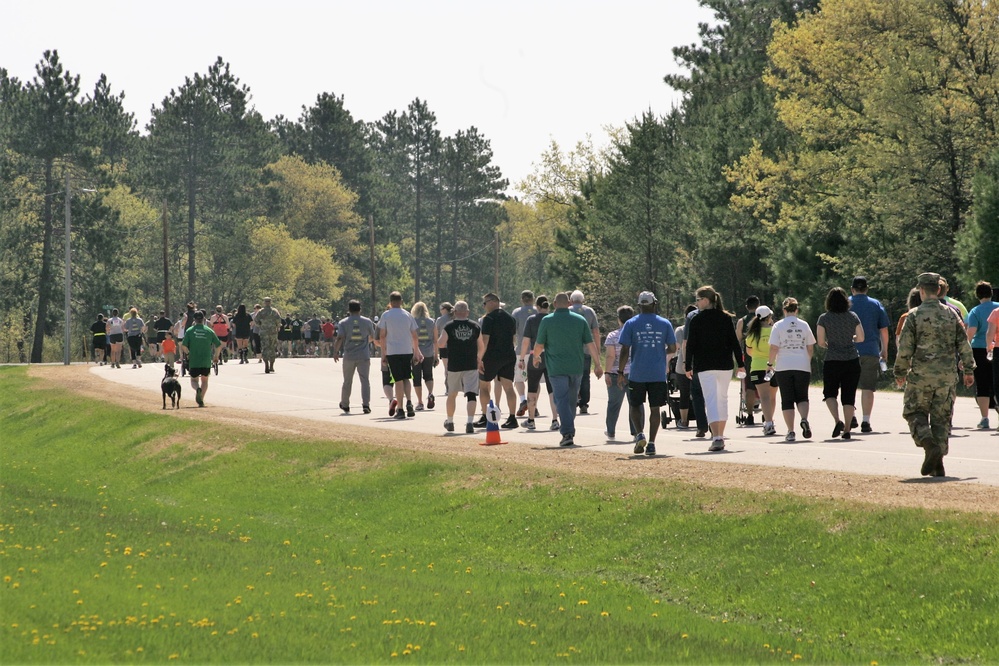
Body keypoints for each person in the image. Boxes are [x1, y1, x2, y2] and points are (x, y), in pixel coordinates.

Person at [895, 273, 976, 476]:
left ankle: (928, 443)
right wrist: (968, 370)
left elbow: (905, 348)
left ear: (922, 291)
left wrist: (900, 372)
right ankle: (938, 463)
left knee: (914, 413)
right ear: (939, 290)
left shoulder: (913, 315)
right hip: (946, 377)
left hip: (921, 376)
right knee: (941, 419)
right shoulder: (951, 314)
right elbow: (964, 344)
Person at [532, 292, 603, 446]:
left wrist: (536, 357)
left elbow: (539, 345)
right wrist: (598, 364)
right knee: (571, 401)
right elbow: (590, 344)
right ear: (569, 303)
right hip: (576, 367)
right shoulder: (580, 320)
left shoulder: (547, 320)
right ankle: (568, 429)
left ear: (554, 304)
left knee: (561, 400)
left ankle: (568, 433)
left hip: (557, 369)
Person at [617, 292, 677, 456]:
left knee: (635, 405)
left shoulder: (630, 323)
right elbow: (673, 348)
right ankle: (651, 443)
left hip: (637, 373)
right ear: (654, 304)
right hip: (657, 374)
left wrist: (621, 372)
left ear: (639, 306)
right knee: (655, 408)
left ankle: (639, 434)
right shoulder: (664, 324)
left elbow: (624, 349)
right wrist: (660, 351)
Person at [684, 286, 743, 451]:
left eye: (697, 300)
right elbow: (734, 343)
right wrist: (741, 363)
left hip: (705, 366)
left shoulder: (696, 320)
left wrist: (688, 365)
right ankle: (720, 435)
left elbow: (691, 346)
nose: (696, 303)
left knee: (711, 400)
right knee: (722, 399)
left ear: (705, 300)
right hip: (724, 365)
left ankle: (716, 436)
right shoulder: (725, 318)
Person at [816, 287, 865, 440]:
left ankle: (838, 420)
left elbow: (820, 341)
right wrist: (852, 338)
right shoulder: (853, 316)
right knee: (849, 396)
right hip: (851, 359)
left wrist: (829, 344)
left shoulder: (824, 318)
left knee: (830, 393)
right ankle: (848, 429)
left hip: (832, 360)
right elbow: (861, 337)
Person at [768, 297, 816, 442]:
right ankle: (804, 419)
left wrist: (770, 364)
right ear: (796, 310)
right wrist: (807, 361)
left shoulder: (778, 326)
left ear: (784, 310)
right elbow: (810, 347)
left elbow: (774, 347)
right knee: (802, 396)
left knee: (787, 399)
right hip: (802, 365)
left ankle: (791, 431)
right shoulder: (804, 325)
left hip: (784, 366)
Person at [850, 276, 890, 433]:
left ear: (852, 289)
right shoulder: (875, 304)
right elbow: (884, 329)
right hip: (870, 350)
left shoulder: (845, 304)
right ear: (866, 289)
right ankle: (865, 421)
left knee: (849, 386)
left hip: (849, 351)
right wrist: (884, 349)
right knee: (867, 387)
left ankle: (851, 415)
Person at [475, 292, 519, 429]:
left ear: (493, 302)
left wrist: (479, 358)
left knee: (484, 386)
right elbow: (513, 339)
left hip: (492, 357)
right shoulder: (511, 318)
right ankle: (512, 418)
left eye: (485, 303)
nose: (484, 306)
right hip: (508, 355)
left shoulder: (489, 319)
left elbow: (485, 340)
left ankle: (486, 417)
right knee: (508, 387)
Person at [437, 301, 482, 434]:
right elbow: (481, 345)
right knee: (471, 394)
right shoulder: (475, 326)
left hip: (454, 364)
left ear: (455, 312)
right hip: (471, 364)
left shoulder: (449, 326)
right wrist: (479, 358)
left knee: (452, 393)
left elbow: (440, 343)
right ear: (467, 312)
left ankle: (450, 421)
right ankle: (469, 422)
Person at [378, 291, 424, 420]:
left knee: (398, 380)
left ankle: (401, 409)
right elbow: (415, 336)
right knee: (406, 377)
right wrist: (416, 352)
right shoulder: (407, 315)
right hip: (406, 350)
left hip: (393, 351)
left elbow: (382, 335)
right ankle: (409, 401)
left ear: (391, 302)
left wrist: (383, 353)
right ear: (401, 301)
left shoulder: (386, 315)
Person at [518, 295, 559, 431]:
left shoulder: (532, 320)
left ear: (537, 306)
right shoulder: (554, 319)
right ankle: (555, 419)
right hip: (551, 357)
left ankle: (531, 419)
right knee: (552, 389)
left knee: (532, 388)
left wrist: (522, 358)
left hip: (535, 355)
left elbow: (525, 341)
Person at [334, 299, 376, 414]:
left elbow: (340, 337)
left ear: (349, 310)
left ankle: (345, 404)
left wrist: (336, 351)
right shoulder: (367, 322)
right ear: (360, 309)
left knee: (347, 381)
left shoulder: (343, 322)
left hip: (349, 355)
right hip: (363, 355)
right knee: (365, 380)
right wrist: (366, 341)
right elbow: (373, 336)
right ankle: (366, 405)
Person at [966, 281, 998, 429]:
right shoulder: (997, 308)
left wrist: (964, 348)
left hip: (979, 349)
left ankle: (985, 418)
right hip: (995, 347)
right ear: (991, 293)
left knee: (982, 383)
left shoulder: (975, 311)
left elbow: (971, 330)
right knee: (996, 383)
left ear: (977, 295)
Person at [603, 305, 638, 441]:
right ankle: (636, 432)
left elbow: (610, 356)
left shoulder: (613, 336)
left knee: (613, 404)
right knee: (634, 403)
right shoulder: (636, 334)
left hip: (616, 373)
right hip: (634, 373)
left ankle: (611, 431)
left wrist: (607, 372)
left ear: (619, 319)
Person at [744, 305, 778, 436]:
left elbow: (749, 351)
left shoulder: (752, 333)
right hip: (774, 367)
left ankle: (768, 423)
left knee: (763, 396)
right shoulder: (774, 330)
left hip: (757, 367)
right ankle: (770, 420)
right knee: (772, 396)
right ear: (769, 317)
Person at [181, 310, 222, 407]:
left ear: (194, 319)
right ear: (203, 319)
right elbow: (219, 345)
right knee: (205, 380)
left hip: (194, 360)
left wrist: (188, 353)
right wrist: (216, 356)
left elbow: (183, 346)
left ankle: (197, 389)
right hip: (206, 360)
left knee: (194, 380)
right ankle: (201, 399)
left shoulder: (190, 330)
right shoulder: (209, 331)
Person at [569, 290, 600, 415]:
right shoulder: (590, 311)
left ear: (571, 300)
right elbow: (596, 332)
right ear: (583, 300)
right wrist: (597, 350)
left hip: (571, 350)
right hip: (587, 350)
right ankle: (584, 404)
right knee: (585, 376)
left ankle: (573, 399)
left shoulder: (568, 311)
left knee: (571, 375)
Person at [735, 295, 761, 425]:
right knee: (765, 387)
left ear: (747, 307)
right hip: (764, 357)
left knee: (749, 387)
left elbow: (738, 338)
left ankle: (750, 415)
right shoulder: (766, 320)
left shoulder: (742, 321)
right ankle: (768, 415)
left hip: (749, 358)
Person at [511, 290, 537, 416]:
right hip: (537, 352)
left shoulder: (516, 312)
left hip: (521, 350)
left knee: (519, 378)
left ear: (522, 299)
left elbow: (512, 331)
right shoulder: (539, 311)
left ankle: (523, 400)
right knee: (535, 380)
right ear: (533, 299)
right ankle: (534, 404)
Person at [672, 305, 697, 429]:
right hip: (697, 365)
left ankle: (684, 420)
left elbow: (678, 346)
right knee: (698, 393)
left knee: (684, 394)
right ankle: (701, 418)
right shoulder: (700, 328)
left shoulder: (680, 330)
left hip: (682, 366)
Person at [410, 302, 439, 410]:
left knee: (416, 378)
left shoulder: (412, 321)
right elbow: (435, 341)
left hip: (416, 353)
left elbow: (411, 338)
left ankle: (420, 402)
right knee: (428, 375)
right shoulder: (432, 322)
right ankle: (430, 393)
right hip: (428, 353)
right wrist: (436, 356)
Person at [255, 297, 282, 374]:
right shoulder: (274, 311)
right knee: (272, 348)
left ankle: (266, 363)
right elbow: (279, 321)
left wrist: (261, 325)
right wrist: (277, 327)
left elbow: (256, 321)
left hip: (264, 332)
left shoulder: (261, 312)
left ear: (264, 302)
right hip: (273, 332)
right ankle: (271, 366)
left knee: (265, 348)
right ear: (270, 302)